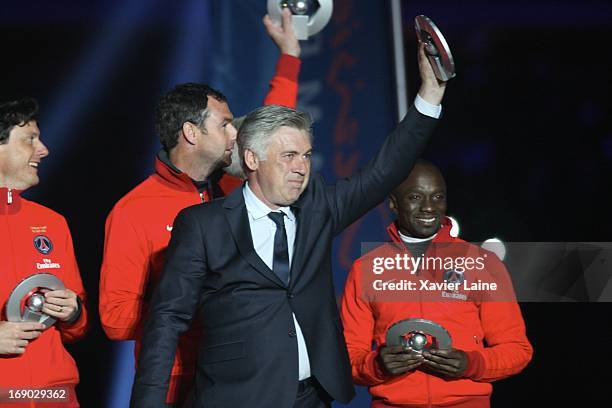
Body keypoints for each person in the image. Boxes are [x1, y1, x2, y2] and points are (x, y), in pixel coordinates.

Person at [130, 44, 446, 408]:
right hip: (236, 398)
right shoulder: (203, 225)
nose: (301, 167)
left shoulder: (318, 209)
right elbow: (168, 319)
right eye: (289, 156)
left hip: (312, 396)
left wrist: (430, 96)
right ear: (252, 159)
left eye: (307, 155)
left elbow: (384, 171)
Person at [99, 9, 301, 405]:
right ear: (192, 133)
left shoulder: (234, 188)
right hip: (178, 380)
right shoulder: (133, 210)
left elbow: (272, 130)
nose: (235, 133)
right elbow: (114, 318)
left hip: (244, 375)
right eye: (225, 125)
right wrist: (189, 302)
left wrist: (290, 57)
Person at [340, 160, 533, 407]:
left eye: (437, 197)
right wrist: (376, 366)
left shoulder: (482, 263)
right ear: (393, 204)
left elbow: (517, 349)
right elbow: (347, 357)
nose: (429, 207)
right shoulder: (366, 269)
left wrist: (471, 363)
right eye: (415, 197)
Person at [0, 98, 88, 407]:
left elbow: (76, 325)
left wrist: (73, 311)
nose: (44, 149)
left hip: (53, 392)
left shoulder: (52, 223)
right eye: (30, 139)